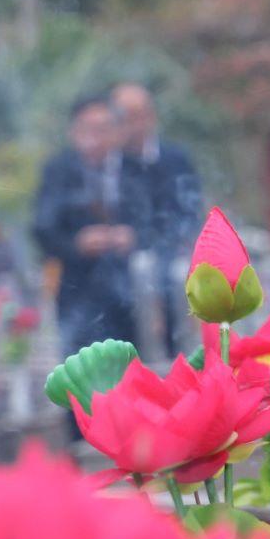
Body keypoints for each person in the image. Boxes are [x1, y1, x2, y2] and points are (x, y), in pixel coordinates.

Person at [32, 93, 149, 363]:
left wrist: (133, 237)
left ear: (118, 131)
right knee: (79, 371)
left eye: (105, 128)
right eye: (89, 129)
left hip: (132, 291)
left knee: (129, 371)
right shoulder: (58, 171)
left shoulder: (136, 169)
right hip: (77, 288)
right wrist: (77, 244)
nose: (97, 137)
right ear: (74, 132)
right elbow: (42, 228)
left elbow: (157, 222)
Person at [111, 82, 204, 359]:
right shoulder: (108, 166)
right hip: (120, 278)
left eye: (138, 115)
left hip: (169, 269)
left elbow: (188, 211)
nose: (133, 125)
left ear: (151, 116)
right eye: (124, 117)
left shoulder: (176, 159)